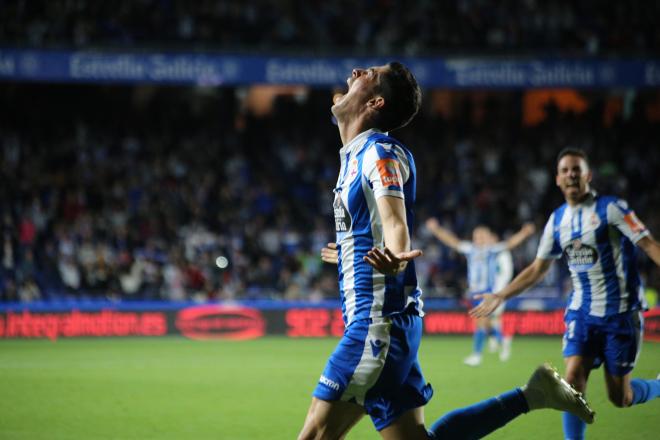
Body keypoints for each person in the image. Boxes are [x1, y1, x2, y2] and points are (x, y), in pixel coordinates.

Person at [297, 62, 594, 440]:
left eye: (368, 73)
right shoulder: (355, 154)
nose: (355, 70)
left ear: (375, 102)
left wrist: (395, 256)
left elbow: (395, 222)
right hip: (393, 322)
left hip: (376, 325)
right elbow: (374, 222)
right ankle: (531, 395)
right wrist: (351, 254)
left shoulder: (378, 152)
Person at [471, 147, 660, 439]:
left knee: (620, 398)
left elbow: (648, 244)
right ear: (557, 179)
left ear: (588, 175)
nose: (571, 174)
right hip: (582, 313)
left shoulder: (612, 209)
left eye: (576, 169)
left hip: (620, 314)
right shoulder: (557, 220)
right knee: (571, 381)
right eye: (565, 170)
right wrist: (501, 295)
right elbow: (538, 268)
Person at [425, 220, 536, 366]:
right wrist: (436, 230)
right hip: (474, 292)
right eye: (477, 236)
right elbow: (452, 241)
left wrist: (524, 233)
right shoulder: (470, 249)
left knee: (480, 323)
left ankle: (477, 355)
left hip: (486, 293)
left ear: (488, 237)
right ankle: (503, 341)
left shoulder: (492, 250)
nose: (479, 239)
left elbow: (510, 243)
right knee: (486, 324)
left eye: (482, 236)